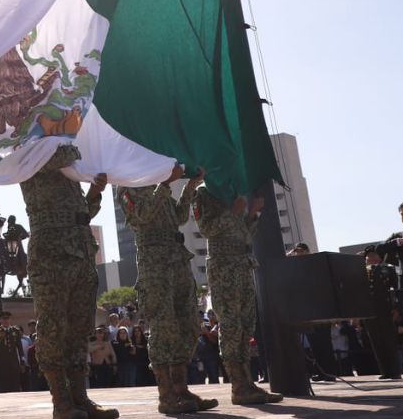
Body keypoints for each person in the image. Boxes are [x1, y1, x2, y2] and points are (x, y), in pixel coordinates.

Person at [17, 144, 116, 419]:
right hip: (52, 252)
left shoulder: (70, 167)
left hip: (80, 251)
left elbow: (81, 214)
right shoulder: (33, 149)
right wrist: (81, 155)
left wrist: (94, 193)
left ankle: (79, 398)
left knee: (78, 328)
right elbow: (60, 155)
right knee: (53, 326)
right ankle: (61, 401)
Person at [116, 165, 218, 414]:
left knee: (189, 326)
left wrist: (190, 186)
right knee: (164, 329)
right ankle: (166, 395)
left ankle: (181, 389)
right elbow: (142, 215)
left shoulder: (157, 189)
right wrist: (165, 185)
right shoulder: (127, 186)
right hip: (155, 265)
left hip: (178, 261)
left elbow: (180, 216)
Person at [193, 183, 282, 404]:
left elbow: (243, 233)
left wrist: (252, 213)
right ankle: (238, 385)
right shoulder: (203, 192)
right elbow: (206, 229)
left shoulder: (236, 191)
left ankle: (248, 383)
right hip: (223, 267)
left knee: (246, 325)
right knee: (231, 325)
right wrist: (233, 211)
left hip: (243, 264)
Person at [361, 247, 403, 379]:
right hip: (369, 310)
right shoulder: (360, 271)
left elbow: (396, 289)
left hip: (386, 309)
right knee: (375, 340)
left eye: (374, 255)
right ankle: (384, 371)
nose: (372, 258)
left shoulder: (388, 269)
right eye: (369, 255)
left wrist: (396, 308)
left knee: (388, 340)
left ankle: (395, 371)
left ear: (379, 257)